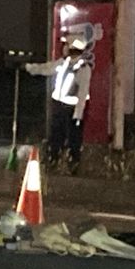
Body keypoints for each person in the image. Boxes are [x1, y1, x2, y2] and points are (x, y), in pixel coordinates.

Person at [25, 36, 93, 169]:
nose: (64, 48)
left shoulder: (83, 68)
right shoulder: (63, 63)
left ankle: (73, 164)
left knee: (74, 138)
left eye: (67, 45)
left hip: (73, 109)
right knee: (55, 135)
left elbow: (83, 92)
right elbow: (46, 68)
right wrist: (29, 68)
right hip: (59, 106)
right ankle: (53, 160)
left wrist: (78, 115)